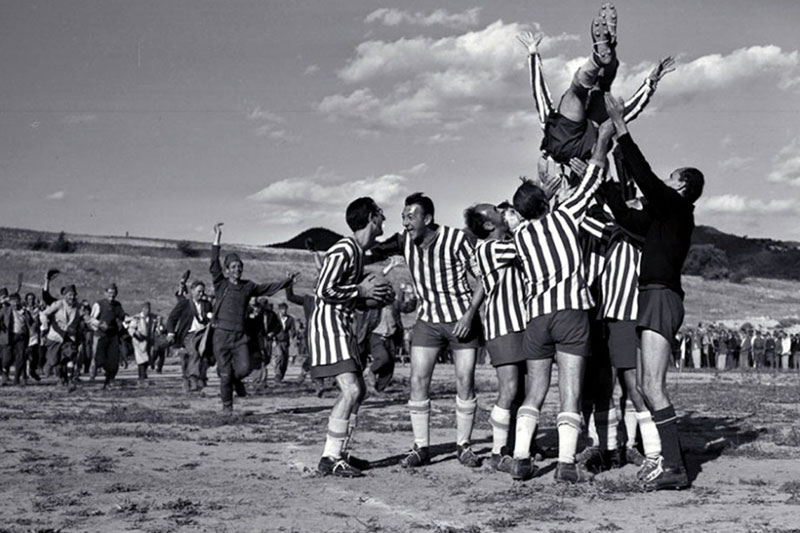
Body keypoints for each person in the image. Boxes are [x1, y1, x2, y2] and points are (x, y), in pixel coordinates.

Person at [603, 91, 704, 490]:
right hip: (653, 295)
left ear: (682, 187)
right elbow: (628, 217)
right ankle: (665, 459)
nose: (664, 180)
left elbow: (643, 174)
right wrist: (603, 180)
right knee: (646, 386)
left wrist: (621, 128)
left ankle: (675, 467)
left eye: (671, 178)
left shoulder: (678, 209)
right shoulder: (664, 218)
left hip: (661, 297)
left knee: (654, 386)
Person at [509, 114, 612, 482]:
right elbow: (595, 174)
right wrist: (602, 137)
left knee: (534, 392)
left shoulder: (519, 237)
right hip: (570, 311)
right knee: (569, 393)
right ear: (548, 199)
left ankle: (521, 458)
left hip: (536, 317)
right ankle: (566, 465)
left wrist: (541, 196)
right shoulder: (566, 216)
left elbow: (528, 218)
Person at [369, 192, 485, 469]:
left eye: (411, 217)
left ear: (428, 218)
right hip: (428, 320)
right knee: (418, 380)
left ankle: (464, 445)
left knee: (464, 380)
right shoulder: (403, 242)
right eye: (403, 218)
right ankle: (421, 447)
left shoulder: (457, 239)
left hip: (461, 320)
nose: (406, 223)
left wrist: (470, 316)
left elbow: (483, 280)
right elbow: (369, 252)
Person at [517, 11, 674, 195]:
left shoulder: (557, 128)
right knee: (588, 89)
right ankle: (604, 52)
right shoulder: (558, 125)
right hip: (581, 150)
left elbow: (627, 113)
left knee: (589, 90)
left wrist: (650, 84)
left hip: (571, 148)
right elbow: (540, 94)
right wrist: (533, 53)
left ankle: (602, 54)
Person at [310, 197, 393, 477]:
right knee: (352, 390)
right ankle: (330, 457)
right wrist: (361, 292)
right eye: (380, 214)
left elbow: (347, 294)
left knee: (361, 391)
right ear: (372, 218)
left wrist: (368, 298)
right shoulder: (345, 249)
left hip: (342, 325)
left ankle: (340, 452)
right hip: (329, 326)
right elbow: (324, 290)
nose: (384, 219)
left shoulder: (357, 252)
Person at [463, 202, 528, 473]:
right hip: (505, 326)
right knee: (509, 389)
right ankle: (498, 452)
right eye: (497, 212)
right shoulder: (491, 247)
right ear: (489, 225)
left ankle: (518, 444)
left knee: (521, 391)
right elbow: (525, 248)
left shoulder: (497, 245)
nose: (504, 213)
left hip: (520, 325)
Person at [210, 222, 298, 411]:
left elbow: (267, 288)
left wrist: (287, 282)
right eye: (233, 267)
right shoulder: (221, 284)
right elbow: (213, 262)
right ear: (227, 270)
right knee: (225, 374)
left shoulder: (248, 286)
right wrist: (217, 238)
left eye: (239, 267)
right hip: (221, 336)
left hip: (240, 337)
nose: (237, 270)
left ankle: (235, 381)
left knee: (244, 368)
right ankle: (227, 408)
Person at [167, 280, 213, 392]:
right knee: (194, 352)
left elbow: (210, 318)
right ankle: (192, 378)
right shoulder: (184, 304)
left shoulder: (206, 304)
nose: (201, 294)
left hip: (203, 333)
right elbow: (172, 318)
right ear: (192, 291)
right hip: (189, 334)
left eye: (202, 292)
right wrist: (171, 332)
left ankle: (200, 376)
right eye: (199, 291)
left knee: (206, 355)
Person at [39, 284, 83, 390]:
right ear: (64, 295)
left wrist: (97, 324)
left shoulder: (78, 307)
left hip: (69, 337)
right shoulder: (58, 304)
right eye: (69, 295)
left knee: (70, 355)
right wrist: (44, 326)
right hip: (55, 337)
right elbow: (44, 314)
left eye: (73, 295)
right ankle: (61, 378)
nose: (72, 297)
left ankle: (71, 380)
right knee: (55, 361)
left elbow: (85, 319)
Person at [88, 283, 126, 389]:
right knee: (97, 358)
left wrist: (129, 318)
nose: (112, 295)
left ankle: (108, 380)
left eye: (114, 293)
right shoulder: (99, 304)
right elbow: (91, 320)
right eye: (110, 293)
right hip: (100, 336)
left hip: (112, 336)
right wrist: (99, 325)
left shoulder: (117, 305)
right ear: (105, 293)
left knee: (113, 360)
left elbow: (122, 316)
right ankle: (92, 377)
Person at [1, 292, 34, 385]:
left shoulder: (25, 311)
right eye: (13, 302)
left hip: (21, 336)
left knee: (21, 357)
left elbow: (32, 322)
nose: (15, 304)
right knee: (7, 358)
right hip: (9, 336)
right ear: (10, 302)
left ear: (20, 301)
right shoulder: (5, 310)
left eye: (17, 301)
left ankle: (16, 378)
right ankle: (4, 376)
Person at [128, 302, 157, 381]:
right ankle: (141, 375)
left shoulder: (152, 318)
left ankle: (144, 373)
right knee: (140, 358)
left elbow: (155, 328)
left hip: (148, 340)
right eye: (146, 308)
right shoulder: (137, 318)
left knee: (148, 357)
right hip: (138, 340)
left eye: (148, 309)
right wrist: (135, 335)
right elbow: (131, 328)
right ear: (142, 309)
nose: (147, 310)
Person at [274, 302, 296, 382]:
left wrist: (292, 336)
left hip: (286, 341)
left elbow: (293, 330)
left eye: (285, 309)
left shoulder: (290, 319)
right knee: (279, 356)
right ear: (279, 310)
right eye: (282, 309)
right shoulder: (275, 318)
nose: (284, 311)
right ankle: (277, 374)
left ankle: (281, 375)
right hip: (277, 340)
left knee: (285, 359)